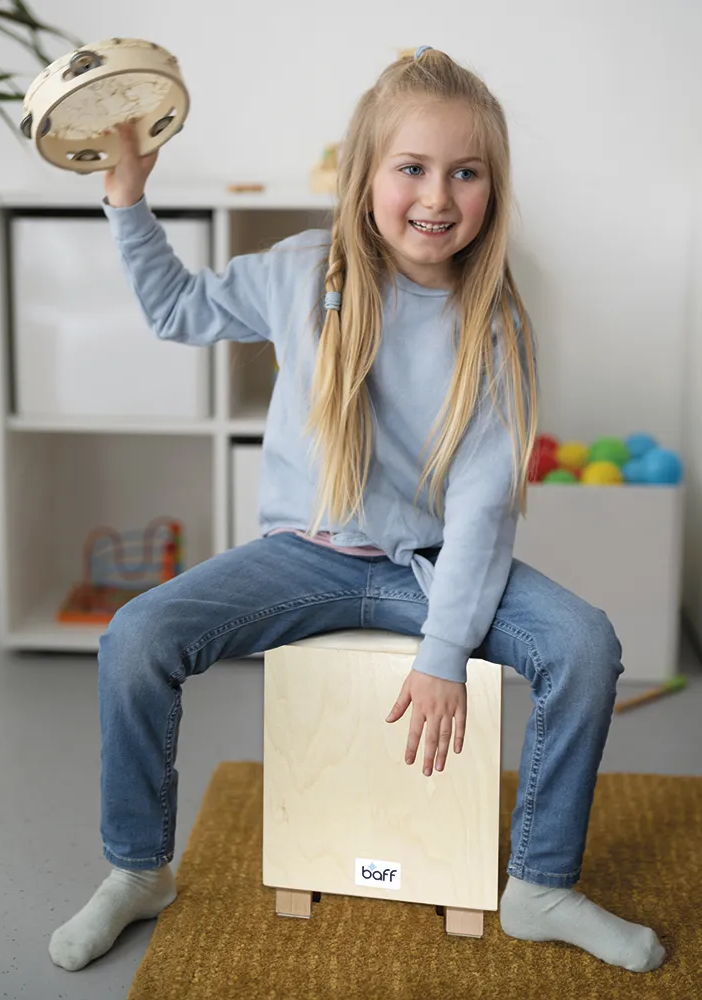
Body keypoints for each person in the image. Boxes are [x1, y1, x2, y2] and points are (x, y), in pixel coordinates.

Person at [48, 46, 665, 975]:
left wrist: (444, 654)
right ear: (365, 175)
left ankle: (540, 884)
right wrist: (127, 195)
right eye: (411, 168)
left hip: (432, 567)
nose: (438, 194)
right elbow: (177, 310)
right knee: (135, 638)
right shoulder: (301, 271)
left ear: (492, 189)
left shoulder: (492, 322)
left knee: (583, 645)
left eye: (466, 173)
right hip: (307, 555)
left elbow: (485, 504)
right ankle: (139, 869)